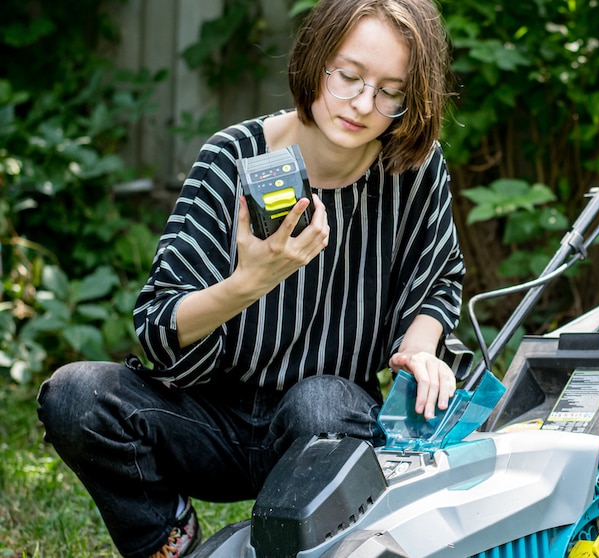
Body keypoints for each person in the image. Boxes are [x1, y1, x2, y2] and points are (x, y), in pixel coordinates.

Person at [36, 0, 464, 556]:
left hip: (324, 429)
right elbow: (161, 327)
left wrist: (420, 349)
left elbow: (435, 277)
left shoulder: (414, 170)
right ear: (315, 61)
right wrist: (250, 281)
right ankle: (173, 543)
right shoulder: (231, 157)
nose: (362, 104)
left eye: (390, 91)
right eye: (349, 77)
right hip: (208, 420)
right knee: (77, 395)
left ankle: (294, 545)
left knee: (322, 405)